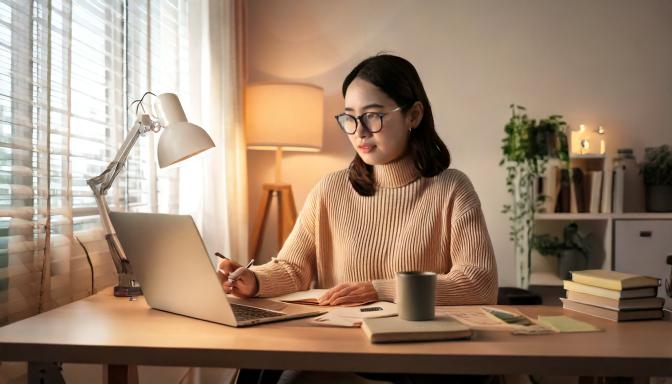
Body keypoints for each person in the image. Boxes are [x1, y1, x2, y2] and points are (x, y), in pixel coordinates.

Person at [218, 54, 498, 307]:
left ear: (413, 115)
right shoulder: (330, 190)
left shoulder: (452, 189)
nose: (359, 132)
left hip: (417, 351)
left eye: (373, 116)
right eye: (350, 118)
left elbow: (479, 284)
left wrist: (380, 290)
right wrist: (253, 281)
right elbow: (294, 269)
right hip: (340, 345)